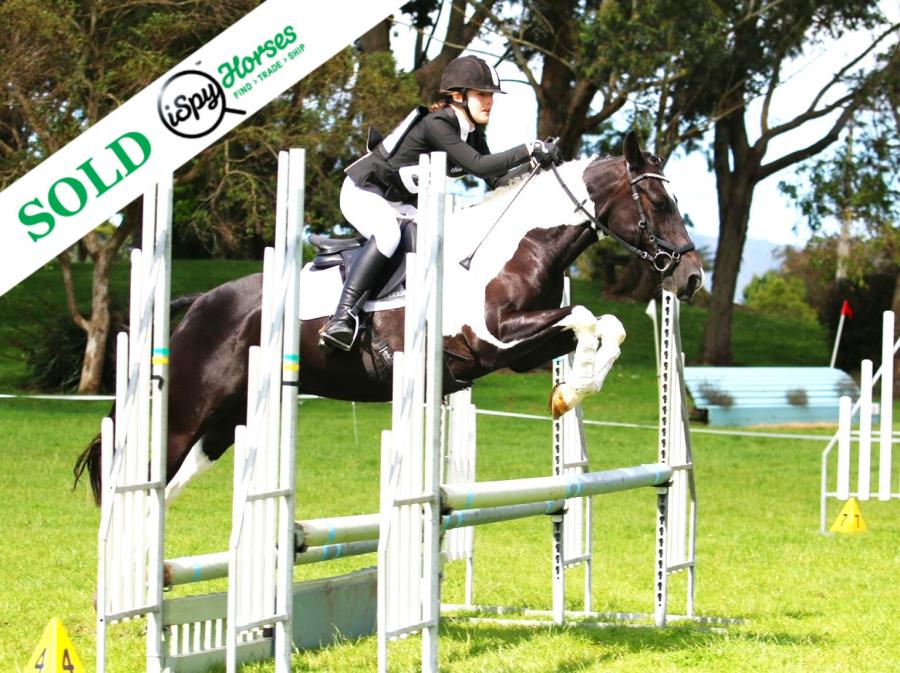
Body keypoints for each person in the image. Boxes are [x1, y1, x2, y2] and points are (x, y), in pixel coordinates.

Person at [318, 54, 563, 352]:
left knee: (440, 240)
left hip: (398, 201)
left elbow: (497, 180)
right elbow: (480, 165)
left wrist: (536, 164)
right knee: (389, 235)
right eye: (482, 94)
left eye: (491, 96)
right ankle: (341, 318)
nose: (490, 102)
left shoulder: (471, 132)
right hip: (364, 191)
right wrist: (528, 148)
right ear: (458, 96)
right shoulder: (438, 124)